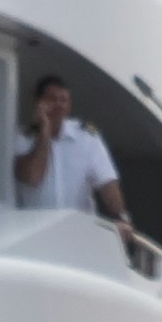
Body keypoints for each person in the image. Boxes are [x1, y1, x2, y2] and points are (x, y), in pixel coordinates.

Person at [15, 72, 141, 258]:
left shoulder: (86, 137)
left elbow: (107, 184)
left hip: (79, 239)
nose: (59, 105)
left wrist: (121, 218)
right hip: (36, 241)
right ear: (38, 102)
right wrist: (45, 132)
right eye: (52, 99)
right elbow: (32, 176)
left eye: (64, 100)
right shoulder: (21, 137)